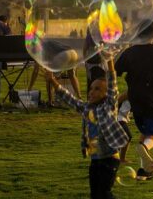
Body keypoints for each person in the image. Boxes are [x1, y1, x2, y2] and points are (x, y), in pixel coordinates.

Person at [48, 52, 129, 199]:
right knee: (94, 194)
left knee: (104, 193)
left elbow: (112, 84)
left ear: (106, 94)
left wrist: (110, 61)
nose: (92, 92)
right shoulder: (87, 108)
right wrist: (53, 82)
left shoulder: (109, 106)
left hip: (110, 159)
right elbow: (69, 99)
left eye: (97, 89)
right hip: (95, 159)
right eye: (91, 88)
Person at [115, 23, 153, 181]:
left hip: (135, 100)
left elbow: (115, 72)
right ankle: (143, 147)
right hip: (151, 99)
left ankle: (142, 172)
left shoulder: (129, 52)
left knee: (144, 133)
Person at [117, 92, 133, 164]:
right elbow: (116, 101)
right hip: (118, 117)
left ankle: (119, 158)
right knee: (127, 136)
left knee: (124, 137)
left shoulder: (139, 93)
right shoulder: (128, 93)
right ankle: (121, 159)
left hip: (122, 117)